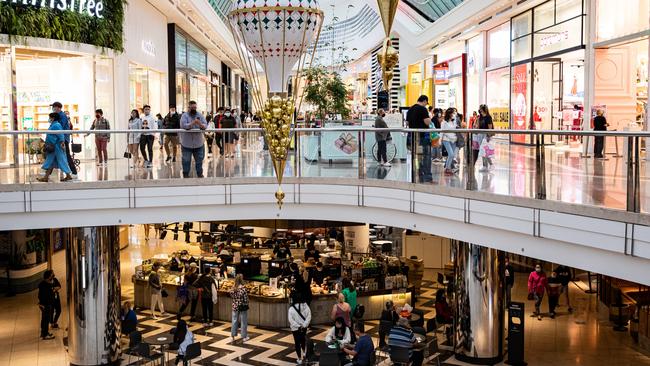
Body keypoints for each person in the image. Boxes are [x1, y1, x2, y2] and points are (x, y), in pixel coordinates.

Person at [37, 113, 73, 182]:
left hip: (56, 147)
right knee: (51, 162)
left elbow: (60, 134)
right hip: (53, 147)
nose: (49, 119)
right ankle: (46, 177)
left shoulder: (56, 125)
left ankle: (68, 175)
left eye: (50, 117)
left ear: (53, 118)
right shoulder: (54, 124)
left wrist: (62, 142)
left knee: (61, 161)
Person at [406, 95, 432, 182]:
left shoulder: (410, 109)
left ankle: (418, 172)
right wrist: (430, 120)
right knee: (426, 156)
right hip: (422, 137)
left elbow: (407, 122)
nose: (426, 105)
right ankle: (427, 176)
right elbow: (427, 122)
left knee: (416, 156)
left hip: (412, 137)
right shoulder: (423, 109)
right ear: (424, 101)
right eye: (426, 103)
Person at [180, 101, 208, 178]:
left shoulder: (200, 115)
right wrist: (193, 123)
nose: (194, 109)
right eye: (192, 108)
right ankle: (185, 174)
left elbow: (205, 126)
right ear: (188, 107)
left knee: (199, 160)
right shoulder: (184, 116)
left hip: (198, 143)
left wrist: (199, 124)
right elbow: (184, 126)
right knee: (186, 160)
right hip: (186, 144)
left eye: (195, 107)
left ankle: (200, 174)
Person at [50, 101, 77, 176]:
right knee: (55, 155)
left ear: (58, 107)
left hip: (63, 138)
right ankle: (48, 173)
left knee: (67, 155)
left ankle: (74, 172)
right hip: (60, 138)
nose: (53, 108)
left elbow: (60, 126)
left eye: (54, 107)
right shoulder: (58, 115)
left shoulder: (62, 116)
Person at [288, 291, 312, 364]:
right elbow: (309, 316)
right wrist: (304, 325)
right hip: (304, 327)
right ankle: (304, 353)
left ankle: (299, 359)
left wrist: (298, 326)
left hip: (295, 329)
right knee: (303, 339)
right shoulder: (306, 306)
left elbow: (290, 320)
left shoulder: (291, 309)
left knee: (297, 342)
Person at [472, 104, 494, 171]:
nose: (479, 110)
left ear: (484, 109)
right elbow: (478, 127)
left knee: (484, 151)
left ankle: (490, 165)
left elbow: (490, 128)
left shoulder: (488, 117)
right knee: (483, 151)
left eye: (480, 109)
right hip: (480, 136)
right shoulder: (480, 117)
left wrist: (488, 136)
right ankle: (487, 166)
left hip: (486, 136)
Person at [230, 274, 250, 342]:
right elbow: (245, 299)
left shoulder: (233, 288)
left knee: (234, 320)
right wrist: (247, 302)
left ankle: (233, 335)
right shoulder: (243, 289)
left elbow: (232, 296)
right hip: (242, 306)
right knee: (243, 321)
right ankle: (244, 336)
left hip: (234, 306)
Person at [38, 270, 55, 340]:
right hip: (45, 305)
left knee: (45, 319)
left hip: (47, 304)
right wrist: (41, 304)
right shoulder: (44, 285)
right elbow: (41, 296)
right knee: (45, 320)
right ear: (48, 277)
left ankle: (44, 332)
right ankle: (44, 334)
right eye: (52, 275)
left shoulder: (46, 284)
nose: (53, 276)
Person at [441, 108, 458, 176]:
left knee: (452, 155)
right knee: (451, 154)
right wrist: (440, 140)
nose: (453, 114)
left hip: (454, 139)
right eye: (452, 113)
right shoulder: (444, 122)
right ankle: (447, 168)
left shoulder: (453, 121)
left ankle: (448, 167)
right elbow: (442, 131)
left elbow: (455, 129)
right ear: (449, 114)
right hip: (446, 140)